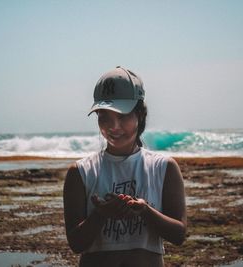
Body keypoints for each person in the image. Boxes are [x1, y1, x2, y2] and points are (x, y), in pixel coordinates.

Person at [63, 66, 187, 267]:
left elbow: (179, 234)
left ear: (140, 114)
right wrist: (101, 214)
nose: (113, 127)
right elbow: (76, 243)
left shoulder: (163, 168)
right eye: (104, 116)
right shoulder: (81, 172)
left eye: (122, 116)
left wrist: (145, 211)